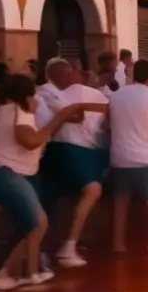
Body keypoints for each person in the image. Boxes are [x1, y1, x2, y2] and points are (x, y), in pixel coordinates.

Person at [0, 74, 90, 290]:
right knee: (39, 223)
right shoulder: (20, 111)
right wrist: (59, 118)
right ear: (26, 95)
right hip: (6, 172)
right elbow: (30, 140)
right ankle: (10, 273)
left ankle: (24, 272)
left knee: (28, 226)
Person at [38, 57, 109, 267]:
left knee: (53, 199)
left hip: (57, 147)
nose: (75, 75)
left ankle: (46, 248)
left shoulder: (60, 93)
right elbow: (76, 116)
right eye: (71, 72)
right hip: (69, 147)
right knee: (92, 190)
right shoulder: (47, 92)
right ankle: (68, 246)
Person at [106, 59, 148, 255]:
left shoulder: (116, 96)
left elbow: (106, 124)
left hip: (120, 156)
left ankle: (118, 243)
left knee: (121, 200)